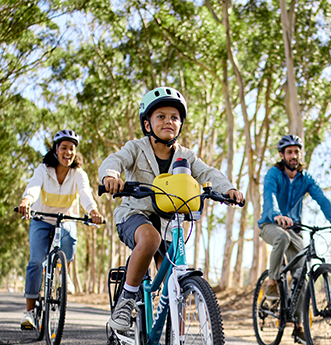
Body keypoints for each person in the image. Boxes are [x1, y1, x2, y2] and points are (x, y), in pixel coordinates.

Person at [99, 87, 245, 331]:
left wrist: (227, 189)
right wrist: (111, 175)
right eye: (161, 116)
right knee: (149, 238)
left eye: (174, 117)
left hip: (169, 223)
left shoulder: (186, 156)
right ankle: (126, 299)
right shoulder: (136, 148)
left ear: (181, 124)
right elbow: (115, 159)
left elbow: (208, 172)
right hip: (135, 215)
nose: (169, 121)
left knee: (174, 287)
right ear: (147, 124)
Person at [257, 134, 331, 336]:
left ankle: (299, 326)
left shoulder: (305, 178)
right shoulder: (274, 174)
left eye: (297, 151)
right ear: (282, 155)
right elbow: (269, 196)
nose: (294, 155)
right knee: (282, 238)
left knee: (302, 275)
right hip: (270, 224)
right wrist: (276, 215)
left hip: (294, 228)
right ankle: (272, 281)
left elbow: (322, 200)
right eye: (289, 152)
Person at [17, 129, 104, 329]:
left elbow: (85, 194)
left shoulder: (78, 174)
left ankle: (64, 273)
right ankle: (29, 312)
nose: (68, 152)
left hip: (65, 220)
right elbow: (33, 187)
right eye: (64, 147)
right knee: (36, 262)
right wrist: (26, 201)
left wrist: (93, 211)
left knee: (70, 240)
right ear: (55, 150)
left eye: (72, 148)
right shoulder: (43, 170)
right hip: (41, 219)